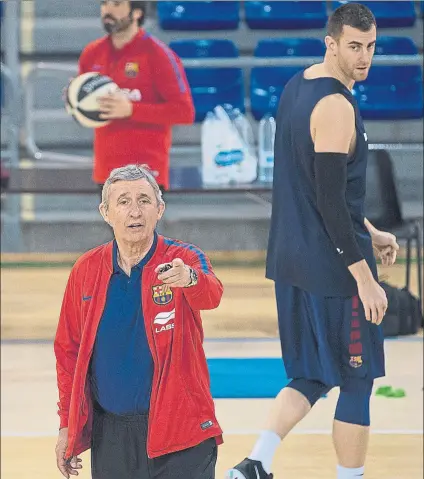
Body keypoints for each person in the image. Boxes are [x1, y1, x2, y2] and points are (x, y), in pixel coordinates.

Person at [226, 4, 399, 479]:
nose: (364, 58)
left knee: (312, 374)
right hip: (333, 272)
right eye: (354, 47)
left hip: (291, 262)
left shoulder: (297, 84)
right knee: (358, 381)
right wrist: (364, 280)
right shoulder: (337, 108)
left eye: (370, 47)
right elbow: (329, 204)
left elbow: (318, 190)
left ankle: (256, 462)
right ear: (331, 42)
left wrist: (372, 231)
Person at [54, 164, 223, 479]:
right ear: (105, 212)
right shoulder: (85, 270)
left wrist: (190, 279)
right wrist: (68, 424)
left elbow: (211, 295)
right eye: (124, 202)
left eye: (144, 200)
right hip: (112, 436)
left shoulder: (183, 258)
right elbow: (68, 352)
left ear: (160, 209)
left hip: (182, 432)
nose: (135, 211)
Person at [77, 1, 194, 192]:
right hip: (107, 171)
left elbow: (184, 112)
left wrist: (131, 109)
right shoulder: (91, 54)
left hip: (147, 172)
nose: (107, 10)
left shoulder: (159, 55)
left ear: (137, 12)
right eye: (104, 3)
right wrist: (74, 101)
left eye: (116, 4)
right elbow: (88, 110)